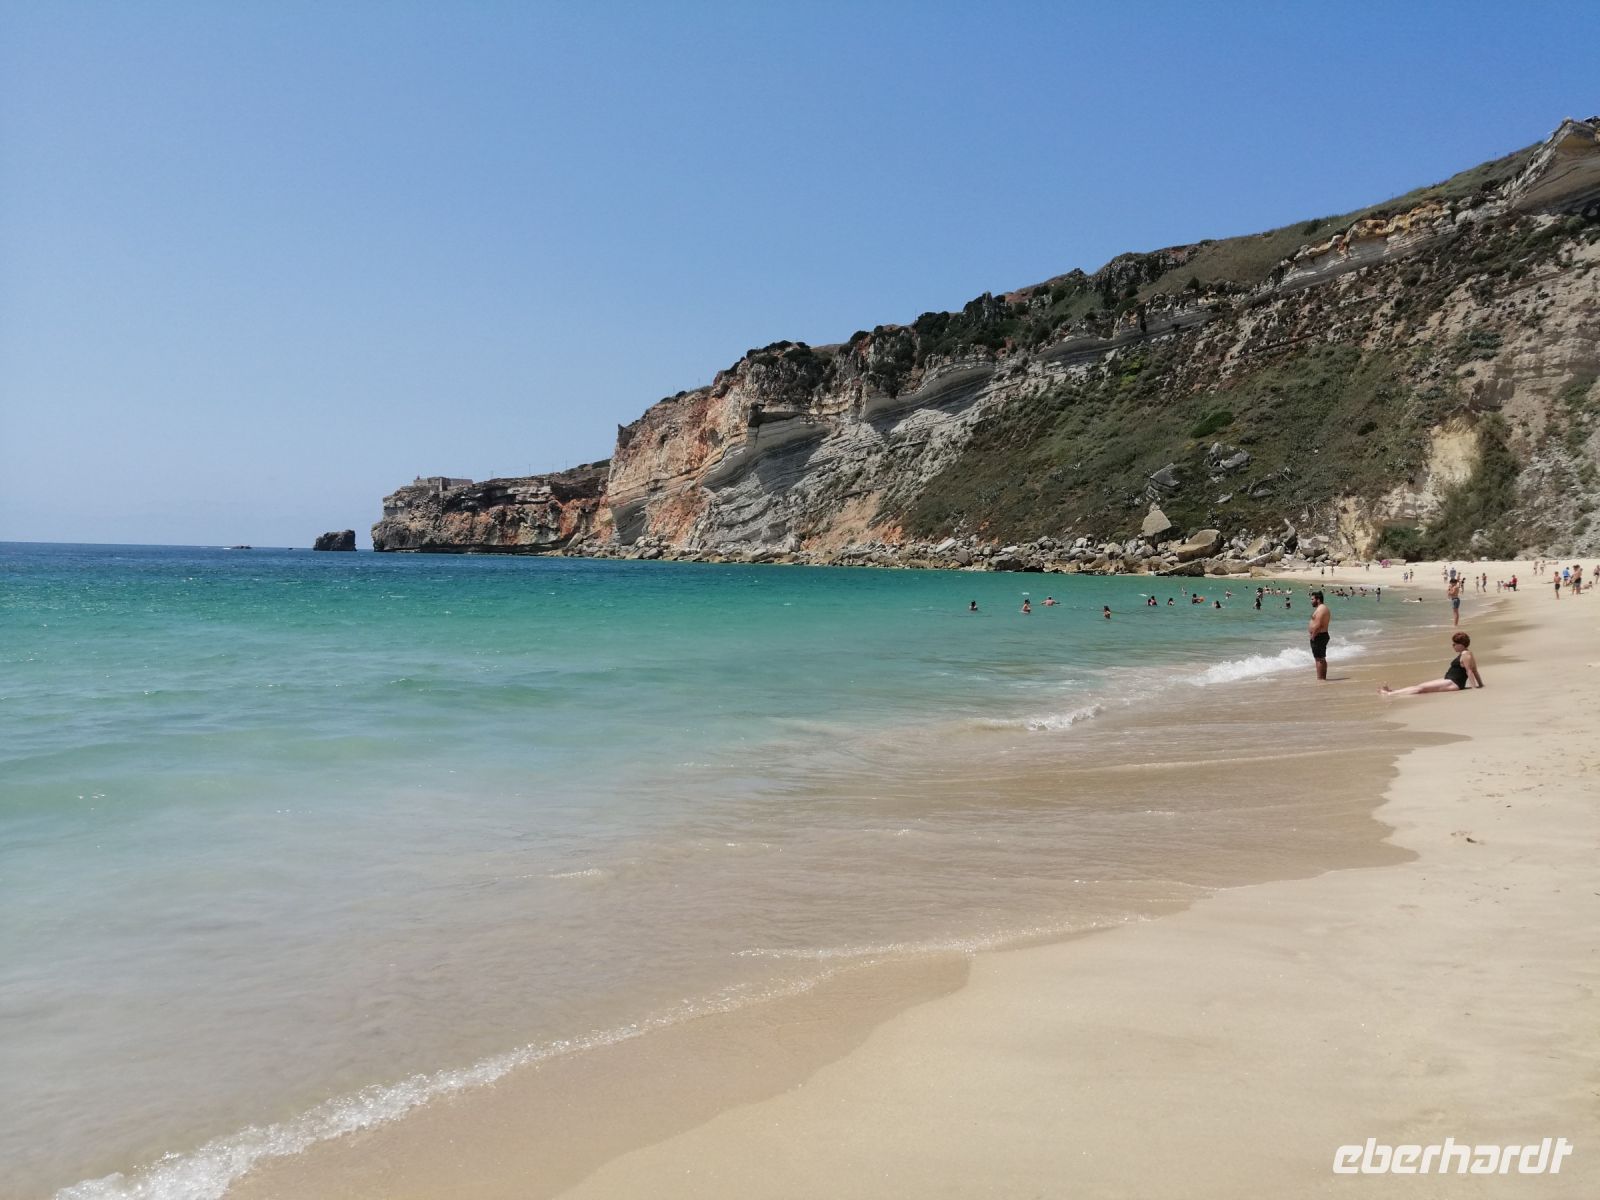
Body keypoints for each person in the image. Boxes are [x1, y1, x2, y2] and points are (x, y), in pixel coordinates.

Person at [1380, 632, 1485, 695]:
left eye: (1454, 644)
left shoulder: (1465, 655)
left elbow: (1470, 671)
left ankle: (1390, 694)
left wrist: (1474, 688)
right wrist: (1480, 685)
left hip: (1453, 683)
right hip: (1450, 681)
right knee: (1420, 687)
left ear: (1461, 645)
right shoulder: (1468, 653)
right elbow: (1475, 670)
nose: (1453, 646)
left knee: (1421, 689)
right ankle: (1393, 692)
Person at [1307, 590, 1330, 681]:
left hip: (1319, 636)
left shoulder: (1321, 609)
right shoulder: (1322, 608)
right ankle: (1323, 678)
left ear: (1318, 599)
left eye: (1312, 599)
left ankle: (1320, 679)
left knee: (1319, 659)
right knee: (1321, 658)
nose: (1311, 601)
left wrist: (1313, 635)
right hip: (1321, 635)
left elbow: (1319, 624)